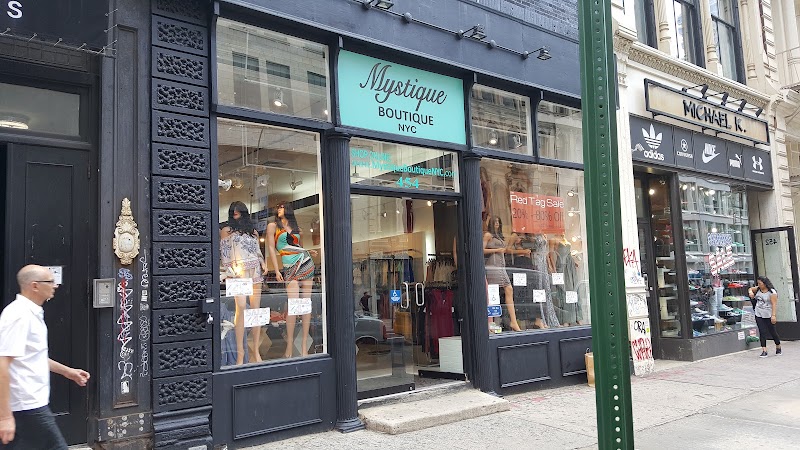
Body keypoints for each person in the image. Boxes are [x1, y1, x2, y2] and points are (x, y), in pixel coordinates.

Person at [0, 265, 91, 449]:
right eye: (50, 281)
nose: (55, 285)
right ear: (35, 286)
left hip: (31, 404)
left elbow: (33, 356)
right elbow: (3, 363)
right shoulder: (19, 315)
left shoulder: (30, 313)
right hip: (26, 405)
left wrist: (68, 372)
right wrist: (5, 416)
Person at [266, 202, 317, 358]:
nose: (279, 209)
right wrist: (276, 270)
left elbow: (299, 247)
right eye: (278, 207)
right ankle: (289, 346)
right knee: (293, 305)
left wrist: (308, 251)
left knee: (306, 304)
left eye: (281, 206)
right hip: (288, 267)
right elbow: (271, 248)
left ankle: (304, 346)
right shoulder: (273, 226)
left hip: (305, 262)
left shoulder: (297, 229)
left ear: (288, 209)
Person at [220, 201, 268, 365]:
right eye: (233, 209)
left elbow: (258, 252)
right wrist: (227, 272)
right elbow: (224, 253)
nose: (235, 212)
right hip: (237, 272)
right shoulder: (227, 231)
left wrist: (263, 263)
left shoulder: (253, 232)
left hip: (254, 270)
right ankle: (240, 354)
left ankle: (256, 351)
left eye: (238, 209)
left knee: (255, 310)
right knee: (240, 308)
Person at [748, 275, 782, 357]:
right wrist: (750, 292)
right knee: (762, 331)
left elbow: (774, 304)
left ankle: (778, 346)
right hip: (759, 313)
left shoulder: (772, 292)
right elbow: (750, 289)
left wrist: (773, 315)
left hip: (768, 314)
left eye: (760, 283)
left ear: (765, 283)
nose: (759, 285)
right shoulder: (758, 289)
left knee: (772, 331)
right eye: (758, 283)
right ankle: (764, 350)